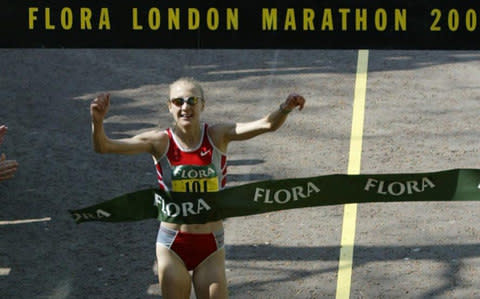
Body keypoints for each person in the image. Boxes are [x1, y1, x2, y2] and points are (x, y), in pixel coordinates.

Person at [90, 77, 305, 299]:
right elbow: (104, 146)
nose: (185, 107)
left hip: (211, 245)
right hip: (173, 244)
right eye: (178, 101)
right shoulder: (159, 142)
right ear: (169, 106)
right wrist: (97, 122)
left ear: (203, 104)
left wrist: (285, 108)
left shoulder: (217, 136)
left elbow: (266, 124)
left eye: (192, 100)